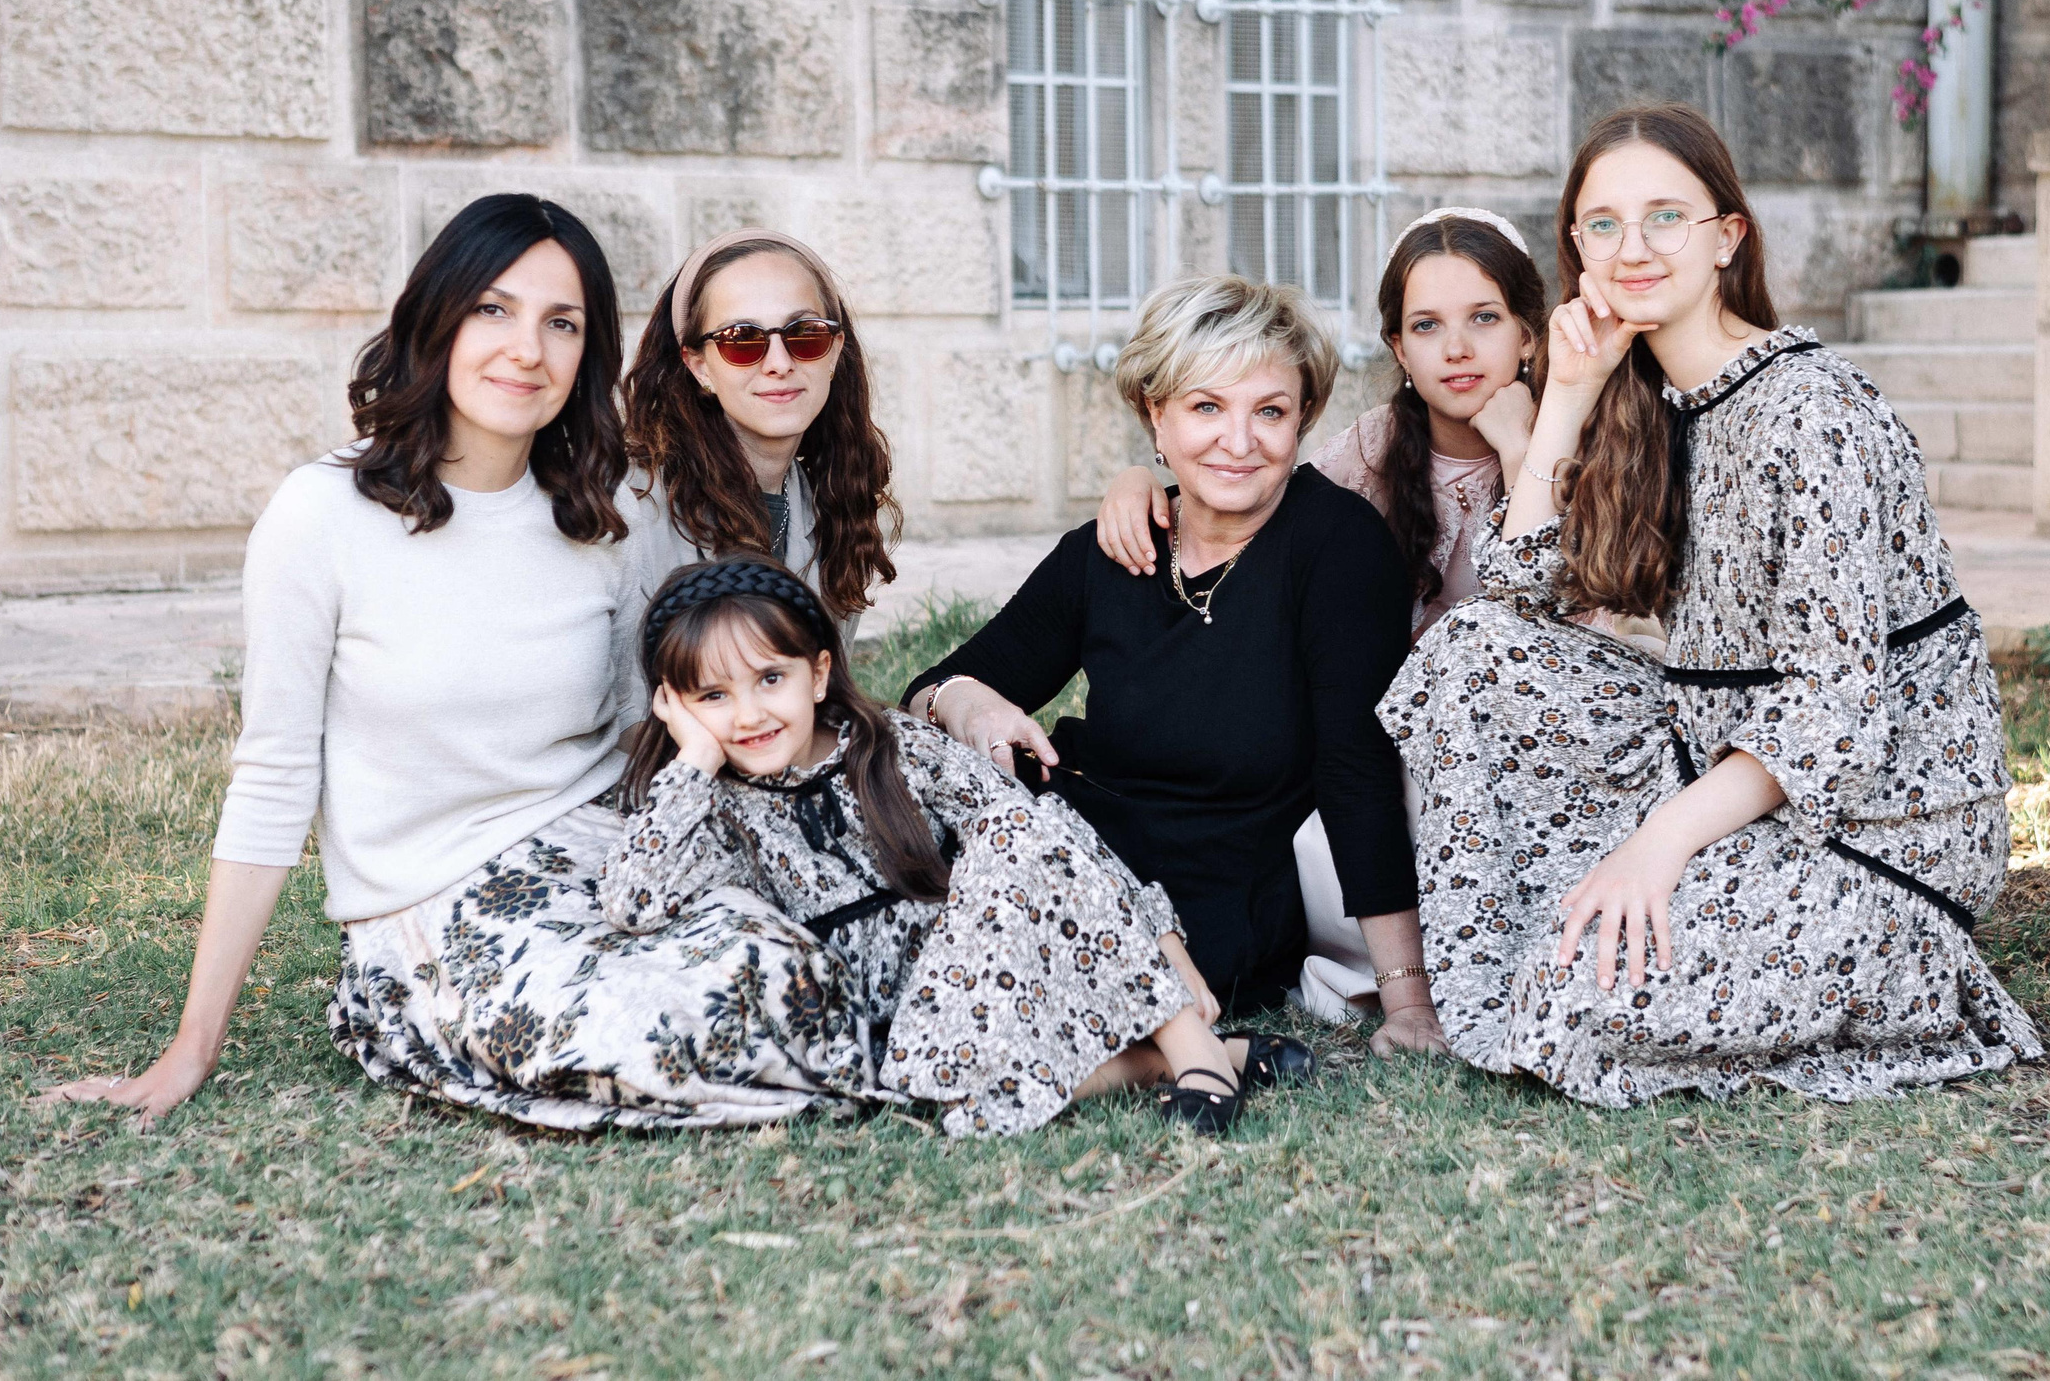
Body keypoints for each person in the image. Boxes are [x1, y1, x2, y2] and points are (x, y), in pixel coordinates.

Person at [37, 196, 875, 1131]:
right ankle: (918, 1075)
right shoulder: (322, 516)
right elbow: (273, 776)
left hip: (609, 859)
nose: (527, 348)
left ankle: (962, 1052)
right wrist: (192, 1045)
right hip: (437, 907)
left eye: (562, 324)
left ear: (586, 355)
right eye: (493, 309)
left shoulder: (600, 516)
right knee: (692, 1024)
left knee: (794, 970)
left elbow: (673, 704)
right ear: (434, 318)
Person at [1387, 102, 2042, 1105]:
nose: (1631, 248)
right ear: (1575, 245)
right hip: (1715, 774)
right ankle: (1568, 935)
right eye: (1601, 224)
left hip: (1873, 835)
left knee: (1573, 1001)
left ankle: (1912, 978)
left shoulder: (1812, 410)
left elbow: (1831, 709)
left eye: (1665, 218)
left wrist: (1656, 848)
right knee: (1466, 651)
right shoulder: (1645, 397)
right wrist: (1563, 392)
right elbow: (1516, 592)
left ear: (1727, 237)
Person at [901, 277, 1446, 1054]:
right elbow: (933, 686)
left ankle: (1190, 1047)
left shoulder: (1336, 545)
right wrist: (970, 706)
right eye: (1205, 407)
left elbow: (1357, 770)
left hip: (1217, 887)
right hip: (1071, 827)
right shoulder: (1120, 543)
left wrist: (1407, 1000)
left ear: (1303, 420)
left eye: (1270, 411)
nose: (1238, 440)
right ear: (1154, 414)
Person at [603, 554, 1313, 1136]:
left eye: (769, 679)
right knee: (968, 1102)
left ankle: (1190, 1044)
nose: (750, 713)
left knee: (1015, 821)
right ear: (674, 704)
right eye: (713, 696)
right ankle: (1165, 1061)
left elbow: (1042, 835)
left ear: (817, 672)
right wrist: (692, 759)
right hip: (880, 1032)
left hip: (982, 971)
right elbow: (631, 900)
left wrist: (1166, 949)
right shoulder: (710, 802)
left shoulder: (890, 745)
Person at [1096, 208, 1550, 640]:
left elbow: (1550, 617)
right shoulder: (1372, 446)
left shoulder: (1572, 438)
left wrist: (1517, 451)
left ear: (1526, 336)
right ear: (1400, 350)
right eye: (1427, 325)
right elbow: (1258, 499)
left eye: (1484, 318)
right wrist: (1139, 482)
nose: (1457, 348)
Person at [621, 227, 900, 634]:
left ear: (835, 351)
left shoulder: (834, 503)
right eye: (742, 340)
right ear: (699, 365)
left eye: (805, 334)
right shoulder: (631, 506)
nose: (779, 362)